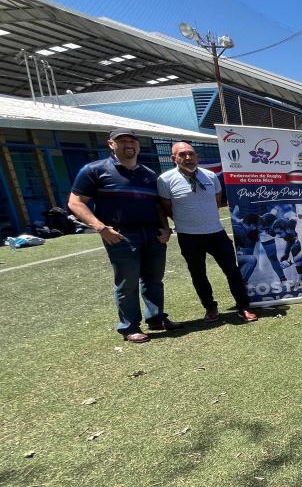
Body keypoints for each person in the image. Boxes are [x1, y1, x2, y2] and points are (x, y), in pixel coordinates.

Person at [68, 128, 179, 343]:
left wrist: (165, 228)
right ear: (111, 144)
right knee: (127, 283)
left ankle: (156, 318)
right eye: (123, 141)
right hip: (121, 234)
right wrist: (100, 227)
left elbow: (157, 205)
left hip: (153, 233)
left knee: (154, 280)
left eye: (132, 141)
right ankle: (129, 327)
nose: (129, 145)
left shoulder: (148, 174)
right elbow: (75, 202)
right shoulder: (94, 170)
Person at [157, 141, 258, 323]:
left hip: (216, 232)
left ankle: (243, 306)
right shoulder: (165, 180)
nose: (188, 157)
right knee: (198, 274)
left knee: (232, 271)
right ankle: (210, 308)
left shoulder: (211, 176)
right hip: (188, 236)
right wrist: (187, 221)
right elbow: (166, 208)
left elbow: (216, 202)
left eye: (191, 153)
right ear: (174, 158)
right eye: (182, 154)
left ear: (197, 156)